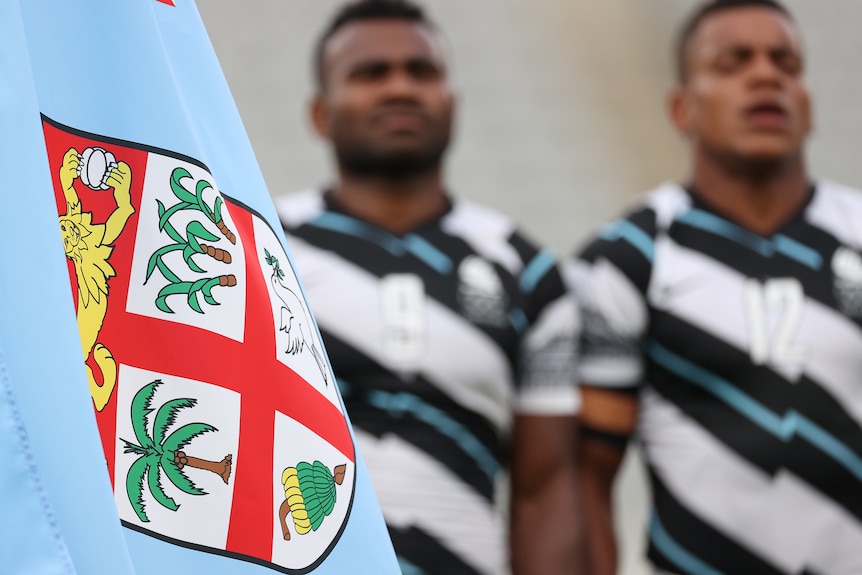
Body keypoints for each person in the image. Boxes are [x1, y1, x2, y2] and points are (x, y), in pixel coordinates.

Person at [275, 1, 581, 574]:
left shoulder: (527, 269)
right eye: (370, 74)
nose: (400, 88)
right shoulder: (263, 248)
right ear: (320, 113)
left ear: (452, 102)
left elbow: (547, 487)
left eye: (422, 72)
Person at [570, 0, 862, 573]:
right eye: (733, 62)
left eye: (786, 63)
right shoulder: (627, 259)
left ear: (809, 103)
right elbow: (584, 474)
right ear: (683, 108)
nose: (765, 75)